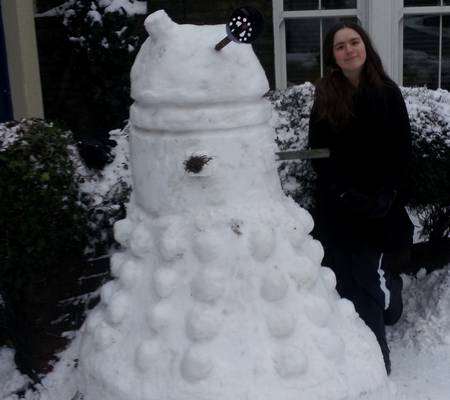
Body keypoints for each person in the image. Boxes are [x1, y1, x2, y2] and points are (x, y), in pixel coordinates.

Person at [308, 22, 414, 375]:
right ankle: (362, 340)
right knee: (342, 277)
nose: (349, 50)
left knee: (366, 276)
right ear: (332, 56)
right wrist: (341, 192)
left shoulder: (387, 92)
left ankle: (376, 356)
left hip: (380, 205)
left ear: (365, 47)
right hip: (339, 203)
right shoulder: (325, 94)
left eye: (354, 42)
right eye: (340, 46)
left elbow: (401, 151)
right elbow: (318, 152)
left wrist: (385, 195)